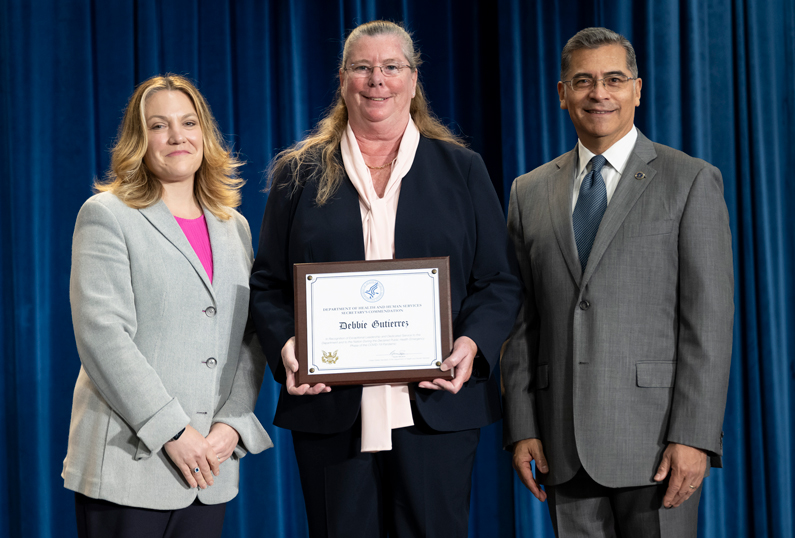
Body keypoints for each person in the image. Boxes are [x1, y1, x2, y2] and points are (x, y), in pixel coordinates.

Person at [250, 20, 522, 538]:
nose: (378, 80)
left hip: (436, 404)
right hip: (330, 408)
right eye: (363, 67)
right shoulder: (300, 173)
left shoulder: (461, 169)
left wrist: (470, 345)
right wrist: (289, 346)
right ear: (343, 78)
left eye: (391, 67)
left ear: (413, 80)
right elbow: (267, 284)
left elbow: (499, 280)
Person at [502, 27, 734, 537]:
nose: (599, 93)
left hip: (657, 447)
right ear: (562, 94)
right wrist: (522, 426)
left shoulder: (690, 180)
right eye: (583, 81)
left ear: (637, 89)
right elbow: (520, 324)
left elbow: (708, 323)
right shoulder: (528, 191)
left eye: (613, 79)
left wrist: (694, 437)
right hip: (562, 443)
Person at [63, 74, 273, 538]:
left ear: (205, 135)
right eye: (159, 125)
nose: (177, 136)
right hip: (127, 465)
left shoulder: (233, 225)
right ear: (140, 141)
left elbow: (250, 336)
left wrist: (233, 424)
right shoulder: (107, 215)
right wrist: (174, 433)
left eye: (188, 122)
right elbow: (102, 335)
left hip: (209, 468)